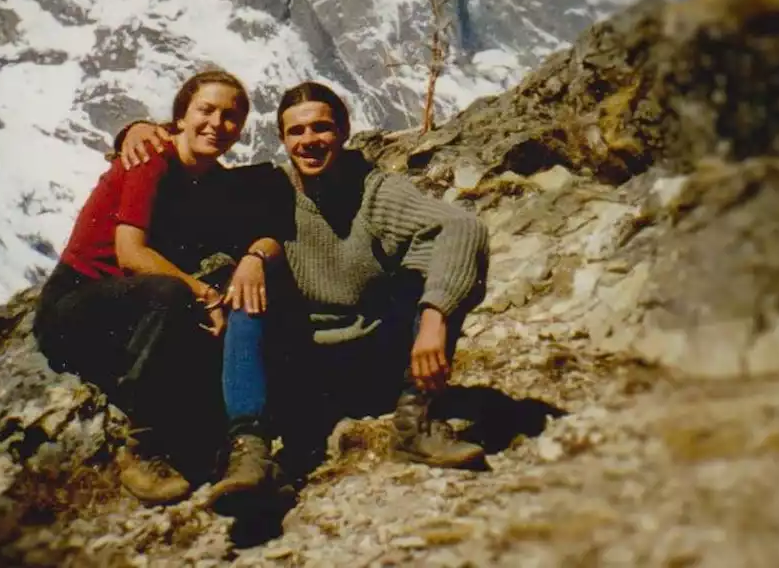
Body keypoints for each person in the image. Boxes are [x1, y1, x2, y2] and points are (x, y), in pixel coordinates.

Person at [117, 80, 490, 477]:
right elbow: (189, 166)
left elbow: (463, 228)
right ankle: (250, 451)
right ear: (282, 139)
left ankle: (416, 422)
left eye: (321, 128)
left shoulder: (375, 189)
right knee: (247, 293)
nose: (309, 141)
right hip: (303, 370)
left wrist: (434, 319)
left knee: (430, 266)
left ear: (344, 132)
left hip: (377, 358)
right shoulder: (266, 187)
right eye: (296, 131)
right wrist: (136, 130)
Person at [33, 69, 292, 509]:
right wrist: (204, 295)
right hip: (75, 306)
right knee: (172, 295)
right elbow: (131, 253)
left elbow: (263, 229)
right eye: (205, 110)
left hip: (130, 309)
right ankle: (141, 449)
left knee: (213, 304)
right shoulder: (151, 158)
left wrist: (253, 259)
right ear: (181, 117)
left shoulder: (210, 179)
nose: (217, 124)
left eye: (231, 117)